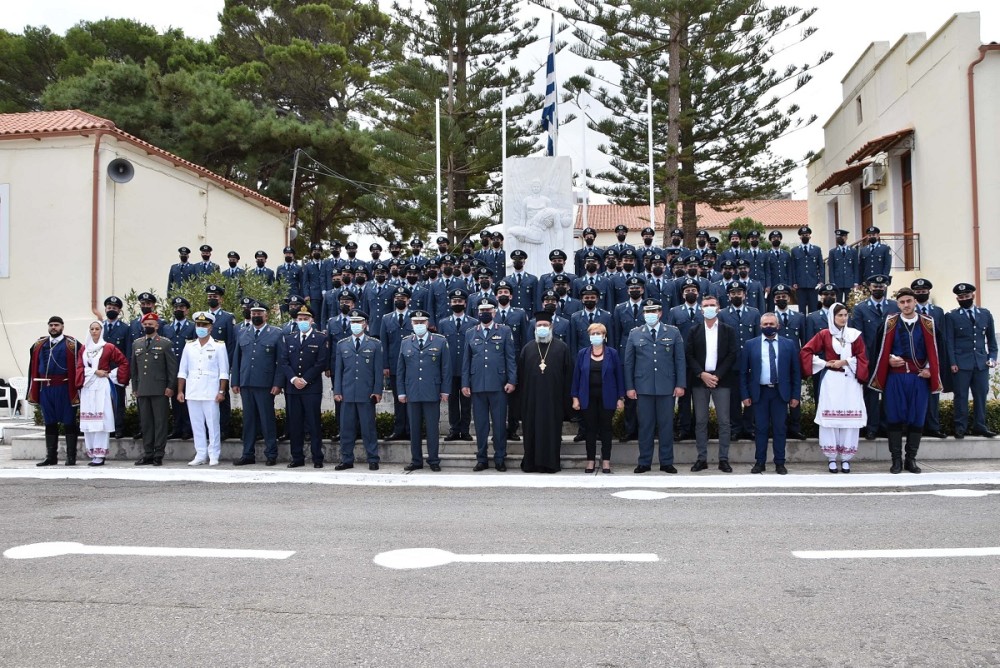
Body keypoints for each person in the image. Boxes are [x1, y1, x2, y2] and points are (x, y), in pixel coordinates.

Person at [869, 287, 944, 473]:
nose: (906, 305)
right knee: (894, 417)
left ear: (915, 302)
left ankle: (911, 459)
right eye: (902, 302)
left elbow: (938, 350)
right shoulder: (889, 322)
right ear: (898, 304)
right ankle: (896, 460)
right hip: (896, 377)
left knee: (917, 418)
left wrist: (929, 369)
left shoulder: (928, 323)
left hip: (919, 378)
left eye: (909, 301)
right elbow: (876, 350)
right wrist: (887, 360)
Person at [800, 304, 869, 473]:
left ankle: (846, 458)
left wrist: (845, 362)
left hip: (850, 381)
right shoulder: (824, 334)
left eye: (846, 315)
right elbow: (806, 351)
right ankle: (831, 457)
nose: (844, 318)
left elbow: (862, 356)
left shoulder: (855, 335)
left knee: (849, 421)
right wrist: (824, 363)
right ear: (832, 317)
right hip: (831, 381)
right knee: (830, 420)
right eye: (840, 315)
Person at [623, 299, 686, 474]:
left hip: (666, 386)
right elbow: (628, 363)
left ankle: (666, 462)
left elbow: (680, 360)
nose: (650, 315)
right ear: (643, 314)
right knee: (645, 426)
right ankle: (644, 461)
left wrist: (680, 384)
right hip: (643, 387)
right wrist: (629, 387)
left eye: (653, 311)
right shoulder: (635, 333)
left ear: (660, 313)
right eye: (647, 312)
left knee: (666, 426)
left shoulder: (673, 332)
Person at [739, 312, 801, 474]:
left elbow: (795, 372)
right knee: (760, 429)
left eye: (771, 324)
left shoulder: (788, 344)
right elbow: (743, 372)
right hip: (760, 393)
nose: (768, 327)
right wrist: (745, 395)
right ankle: (760, 462)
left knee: (780, 428)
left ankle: (780, 462)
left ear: (778, 326)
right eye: (765, 324)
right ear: (760, 326)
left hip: (780, 393)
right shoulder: (750, 344)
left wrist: (795, 395)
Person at [685, 295, 738, 472]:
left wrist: (717, 376)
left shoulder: (728, 330)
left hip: (721, 381)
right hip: (700, 381)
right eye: (705, 305)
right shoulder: (694, 330)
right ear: (701, 309)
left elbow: (732, 354)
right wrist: (702, 374)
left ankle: (723, 459)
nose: (708, 308)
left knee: (724, 421)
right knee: (700, 421)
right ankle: (702, 458)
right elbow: (689, 355)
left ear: (718, 308)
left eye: (712, 305)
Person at [462, 302, 517, 472]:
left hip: (499, 384)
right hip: (477, 385)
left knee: (500, 423)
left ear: (494, 313)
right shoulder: (471, 332)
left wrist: (512, 380)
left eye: (488, 311)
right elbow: (466, 360)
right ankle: (482, 458)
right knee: (480, 424)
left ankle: (500, 457)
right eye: (482, 311)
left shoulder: (504, 331)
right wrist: (465, 383)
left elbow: (510, 357)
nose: (485, 313)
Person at [519, 310, 573, 473]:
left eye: (545, 325)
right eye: (539, 325)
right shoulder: (527, 349)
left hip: (553, 400)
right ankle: (530, 463)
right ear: (535, 328)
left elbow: (568, 375)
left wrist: (567, 403)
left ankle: (551, 464)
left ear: (552, 327)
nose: (542, 327)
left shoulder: (562, 348)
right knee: (531, 431)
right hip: (531, 400)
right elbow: (521, 377)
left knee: (551, 432)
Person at [397, 310, 450, 472]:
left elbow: (446, 368)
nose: (419, 325)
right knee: (414, 428)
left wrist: (445, 390)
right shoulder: (405, 342)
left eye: (422, 322)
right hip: (412, 391)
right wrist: (401, 391)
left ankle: (433, 460)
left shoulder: (440, 341)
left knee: (432, 428)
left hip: (431, 391)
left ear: (427, 324)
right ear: (411, 324)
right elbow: (401, 369)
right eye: (415, 322)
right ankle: (416, 460)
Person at [231, 301, 282, 466]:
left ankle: (271, 454)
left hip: (266, 384)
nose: (256, 316)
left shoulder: (276, 333)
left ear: (266, 315)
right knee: (248, 421)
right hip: (246, 383)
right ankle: (248, 454)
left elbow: (280, 362)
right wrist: (236, 381)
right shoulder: (243, 333)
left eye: (259, 313)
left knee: (267, 420)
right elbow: (237, 359)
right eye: (253, 313)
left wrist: (277, 383)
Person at [278, 305, 329, 468]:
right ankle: (297, 457)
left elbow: (321, 362)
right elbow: (284, 361)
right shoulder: (290, 337)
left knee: (314, 423)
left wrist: (305, 380)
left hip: (311, 388)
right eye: (300, 319)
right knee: (295, 424)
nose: (302, 322)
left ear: (312, 320)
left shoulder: (320, 338)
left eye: (305, 319)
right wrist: (293, 379)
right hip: (293, 389)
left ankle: (317, 457)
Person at [945, 282, 997, 439]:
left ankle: (980, 426)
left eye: (966, 296)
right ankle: (960, 427)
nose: (964, 299)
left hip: (981, 362)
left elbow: (992, 340)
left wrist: (993, 358)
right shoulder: (952, 316)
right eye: (960, 297)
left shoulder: (985, 314)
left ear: (973, 296)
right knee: (960, 395)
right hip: (961, 363)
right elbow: (949, 342)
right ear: (957, 299)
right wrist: (952, 362)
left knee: (981, 394)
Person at [176, 312, 230, 466]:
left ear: (210, 327)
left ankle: (214, 454)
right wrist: (180, 391)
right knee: (196, 424)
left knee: (213, 425)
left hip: (210, 391)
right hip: (193, 391)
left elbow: (224, 372)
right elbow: (182, 371)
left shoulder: (219, 346)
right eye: (198, 325)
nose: (201, 328)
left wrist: (221, 391)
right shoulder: (189, 346)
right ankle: (200, 454)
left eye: (204, 325)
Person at [571, 322, 624, 474]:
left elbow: (618, 376)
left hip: (608, 397)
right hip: (587, 397)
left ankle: (606, 461)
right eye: (593, 334)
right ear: (589, 337)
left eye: (598, 334)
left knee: (606, 429)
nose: (596, 336)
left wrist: (620, 397)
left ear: (604, 336)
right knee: (590, 430)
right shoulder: (582, 353)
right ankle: (590, 461)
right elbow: (576, 377)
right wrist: (575, 397)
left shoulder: (612, 353)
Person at [333, 310, 384, 471]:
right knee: (346, 429)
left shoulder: (374, 344)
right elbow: (338, 371)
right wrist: (337, 390)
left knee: (368, 428)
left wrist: (377, 390)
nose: (355, 325)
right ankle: (346, 459)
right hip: (347, 393)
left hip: (366, 393)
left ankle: (373, 458)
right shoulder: (342, 344)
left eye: (359, 322)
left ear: (365, 324)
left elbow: (378, 370)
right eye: (353, 322)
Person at [28, 317, 83, 466]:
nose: (53, 327)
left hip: (65, 388)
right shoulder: (39, 344)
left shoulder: (72, 344)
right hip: (46, 388)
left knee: (69, 421)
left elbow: (81, 365)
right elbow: (33, 366)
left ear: (62, 327)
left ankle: (71, 457)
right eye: (51, 325)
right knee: (49, 422)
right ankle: (51, 457)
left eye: (56, 325)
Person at [78, 321, 130, 466]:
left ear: (102, 331)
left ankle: (100, 455)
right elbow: (79, 367)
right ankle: (92, 452)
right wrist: (94, 371)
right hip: (88, 386)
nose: (94, 331)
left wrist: (111, 375)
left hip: (102, 386)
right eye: (92, 329)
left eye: (97, 329)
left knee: (101, 420)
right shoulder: (84, 349)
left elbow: (124, 362)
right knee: (89, 421)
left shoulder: (108, 347)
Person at [131, 313, 178, 466]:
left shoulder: (165, 343)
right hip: (143, 389)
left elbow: (172, 368)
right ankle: (148, 453)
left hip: (160, 389)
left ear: (157, 326)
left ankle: (158, 454)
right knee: (146, 423)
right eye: (145, 324)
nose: (148, 326)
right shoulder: (136, 344)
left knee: (160, 423)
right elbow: (134, 369)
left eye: (151, 324)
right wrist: (135, 387)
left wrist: (171, 387)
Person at [440, 289, 477, 442]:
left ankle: (465, 430)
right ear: (450, 303)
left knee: (467, 401)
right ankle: (454, 430)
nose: (457, 304)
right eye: (454, 302)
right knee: (453, 402)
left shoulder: (473, 322)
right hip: (450, 369)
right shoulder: (443, 323)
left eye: (460, 301)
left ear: (465, 303)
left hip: (466, 368)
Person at [101, 296, 130, 438]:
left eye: (114, 308)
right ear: (105, 309)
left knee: (118, 401)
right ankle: (106, 427)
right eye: (109, 308)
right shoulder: (99, 327)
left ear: (119, 310)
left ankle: (118, 428)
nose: (111, 310)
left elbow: (128, 351)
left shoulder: (125, 328)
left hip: (117, 371)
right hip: (101, 371)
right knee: (103, 401)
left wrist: (126, 373)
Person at [790, 226, 824, 314]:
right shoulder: (795, 250)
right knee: (801, 310)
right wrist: (794, 282)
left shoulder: (816, 249)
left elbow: (820, 266)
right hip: (800, 285)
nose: (805, 236)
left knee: (813, 309)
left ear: (810, 236)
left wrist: (821, 280)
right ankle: (802, 327)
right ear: (800, 237)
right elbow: (793, 268)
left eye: (806, 235)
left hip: (813, 284)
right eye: (803, 235)